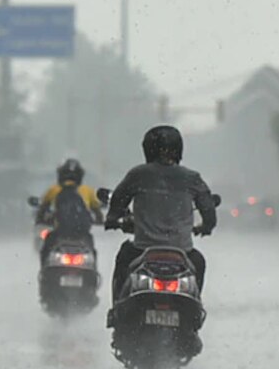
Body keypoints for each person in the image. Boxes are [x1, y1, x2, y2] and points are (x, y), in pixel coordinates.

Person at [103, 126, 217, 321]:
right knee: (199, 262)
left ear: (148, 149)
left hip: (142, 250)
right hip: (182, 252)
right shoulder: (192, 178)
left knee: (123, 258)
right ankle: (194, 317)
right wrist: (206, 226)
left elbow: (118, 200)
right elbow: (208, 209)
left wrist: (113, 219)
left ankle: (117, 313)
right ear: (179, 149)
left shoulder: (138, 175)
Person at [36, 158, 102, 260]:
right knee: (92, 250)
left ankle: (43, 273)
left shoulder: (54, 190)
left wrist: (41, 220)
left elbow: (42, 210)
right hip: (82, 233)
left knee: (46, 247)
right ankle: (94, 272)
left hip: (60, 232)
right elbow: (97, 212)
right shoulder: (88, 191)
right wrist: (100, 221)